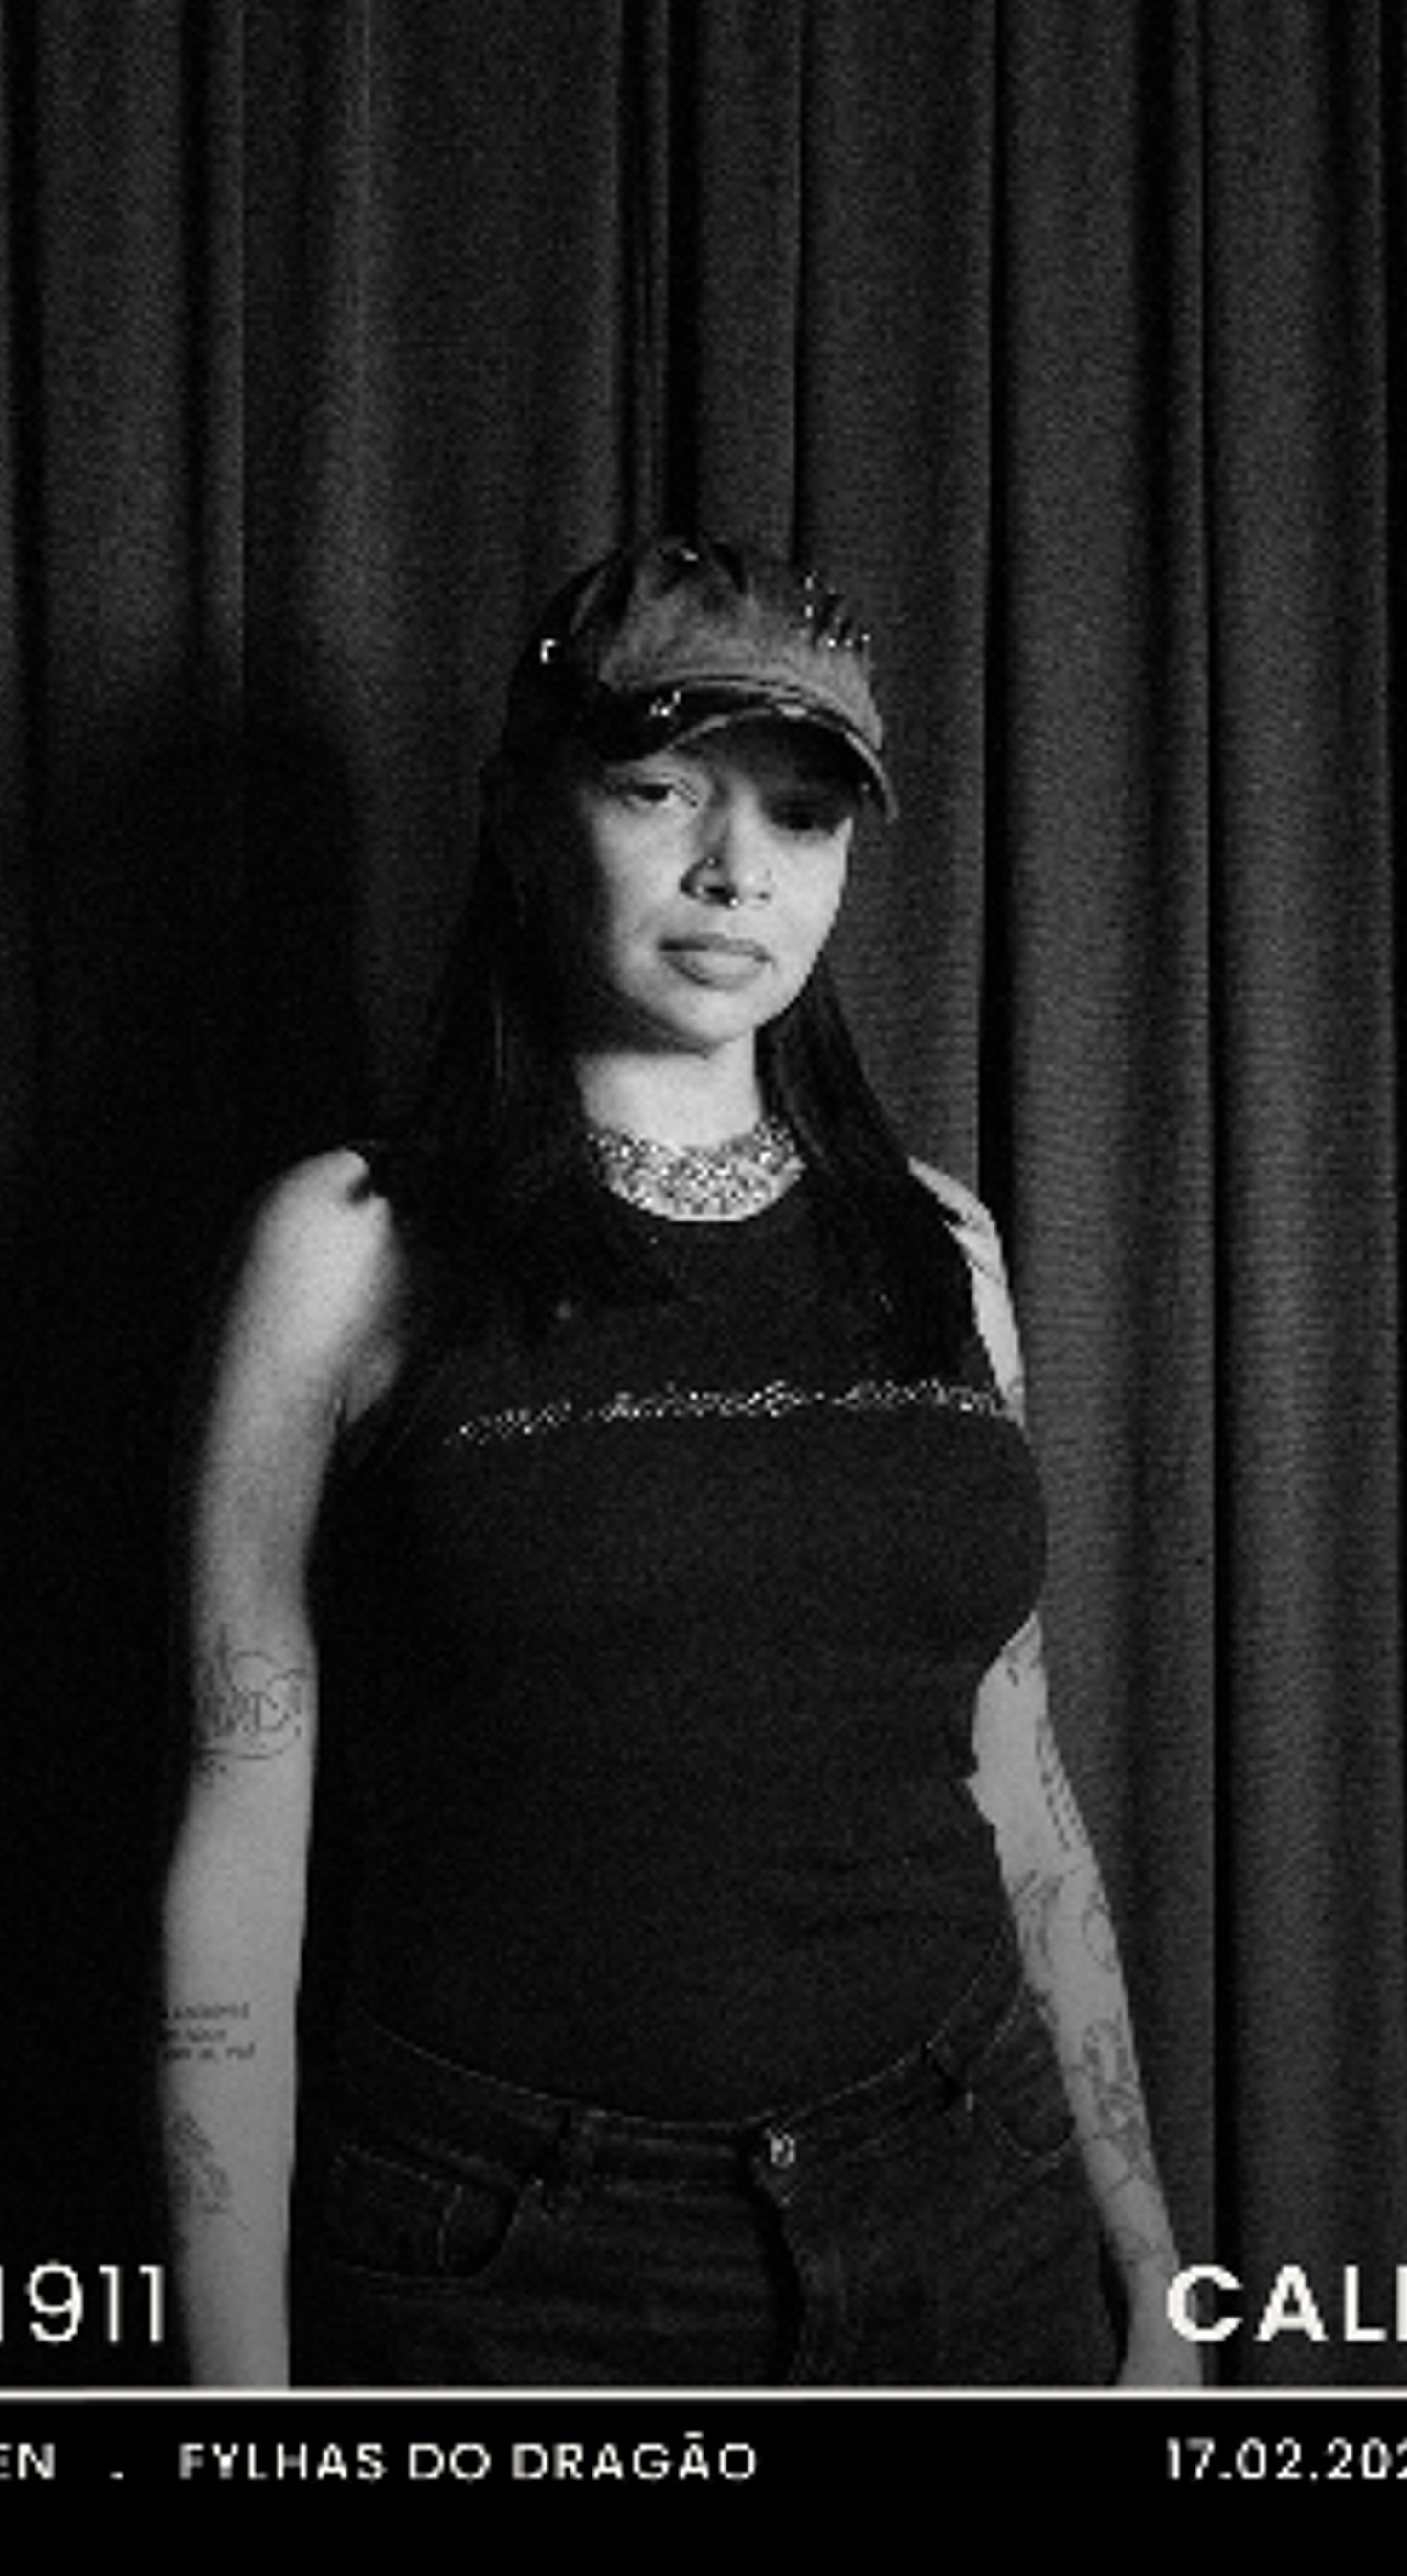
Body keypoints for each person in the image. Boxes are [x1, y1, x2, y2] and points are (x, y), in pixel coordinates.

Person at [157, 532, 1197, 2386]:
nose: (736, 869)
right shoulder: (350, 1247)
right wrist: (240, 2399)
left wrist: (1152, 2264)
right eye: (657, 789)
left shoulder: (939, 1247)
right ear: (522, 819)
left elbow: (1018, 1773)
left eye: (801, 814)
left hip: (976, 2202)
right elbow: (245, 1832)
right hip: (525, 2258)